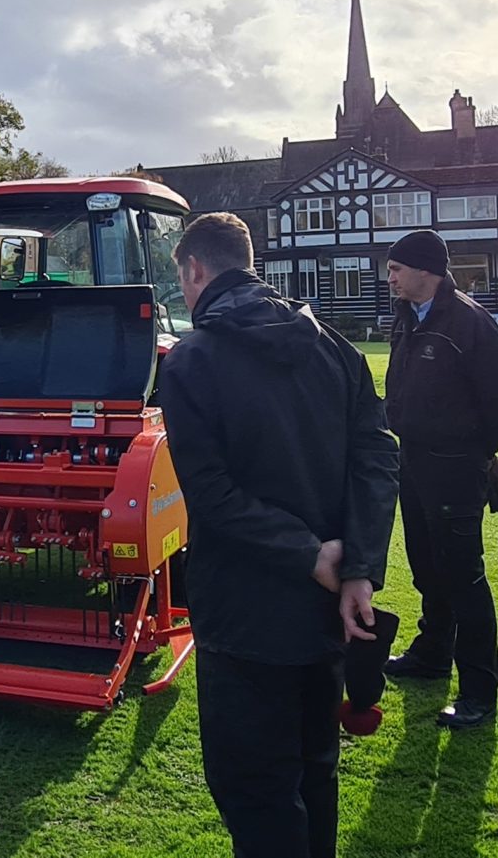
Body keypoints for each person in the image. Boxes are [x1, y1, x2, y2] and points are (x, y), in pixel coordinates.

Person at [156, 213, 401, 858]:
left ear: (196, 270)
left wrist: (317, 557)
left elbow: (210, 493)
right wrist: (358, 567)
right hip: (328, 606)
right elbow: (376, 458)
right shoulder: (336, 348)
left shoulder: (191, 362)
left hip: (246, 611)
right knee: (314, 768)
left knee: (256, 788)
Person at [379, 230, 498, 729]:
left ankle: (480, 690)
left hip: (455, 467)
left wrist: (479, 455)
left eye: (397, 268)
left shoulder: (469, 324)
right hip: (413, 460)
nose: (389, 276)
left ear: (426, 271)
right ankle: (433, 654)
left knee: (463, 575)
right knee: (426, 565)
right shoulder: (406, 318)